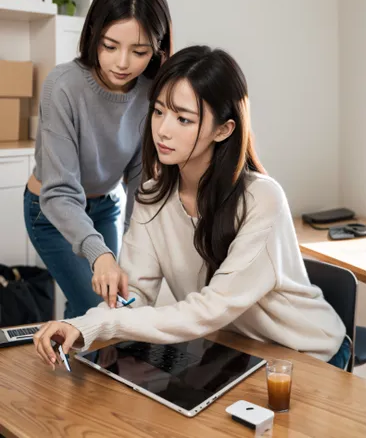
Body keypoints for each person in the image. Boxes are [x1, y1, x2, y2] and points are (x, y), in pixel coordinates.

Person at [33, 45, 348, 369]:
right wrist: (82, 325)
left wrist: (100, 325)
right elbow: (135, 295)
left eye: (183, 118)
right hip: (237, 351)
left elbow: (210, 309)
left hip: (309, 354)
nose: (163, 130)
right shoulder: (153, 194)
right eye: (158, 111)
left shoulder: (262, 200)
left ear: (224, 129)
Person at [24, 0, 173, 318]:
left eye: (139, 51)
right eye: (110, 46)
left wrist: (143, 240)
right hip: (50, 209)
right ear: (92, 34)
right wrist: (99, 253)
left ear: (157, 48)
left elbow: (138, 177)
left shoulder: (149, 91)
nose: (123, 63)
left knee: (109, 305)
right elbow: (59, 192)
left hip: (105, 207)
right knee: (100, 311)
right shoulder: (63, 87)